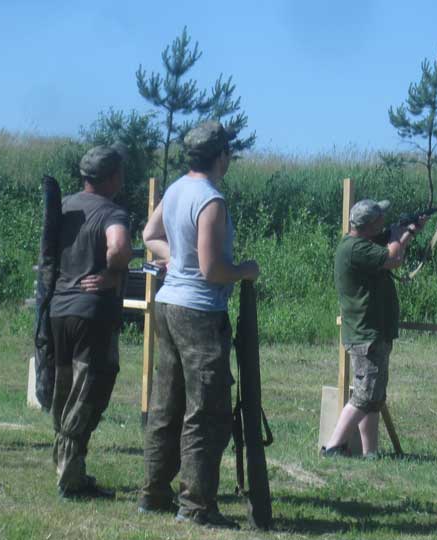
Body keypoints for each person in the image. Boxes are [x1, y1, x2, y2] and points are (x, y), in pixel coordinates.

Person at [140, 120, 259, 530]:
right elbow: (212, 270)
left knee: (166, 402)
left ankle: (154, 491)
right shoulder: (211, 200)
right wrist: (245, 270)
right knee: (206, 411)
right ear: (221, 156)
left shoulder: (175, 189)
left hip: (168, 304)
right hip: (199, 313)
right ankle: (196, 505)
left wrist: (174, 259)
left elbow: (149, 234)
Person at [48, 145, 131, 499]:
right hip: (91, 313)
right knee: (89, 393)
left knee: (63, 391)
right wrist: (113, 273)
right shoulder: (113, 212)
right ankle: (70, 477)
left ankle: (71, 468)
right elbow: (119, 247)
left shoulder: (64, 207)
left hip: (57, 310)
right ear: (112, 178)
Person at [322, 199, 423, 459]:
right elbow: (393, 258)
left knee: (374, 396)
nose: (383, 223)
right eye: (380, 220)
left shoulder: (360, 244)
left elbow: (392, 254)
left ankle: (371, 453)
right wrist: (406, 233)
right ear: (369, 226)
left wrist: (404, 234)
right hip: (366, 333)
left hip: (370, 331)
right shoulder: (357, 248)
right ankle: (333, 446)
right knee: (366, 395)